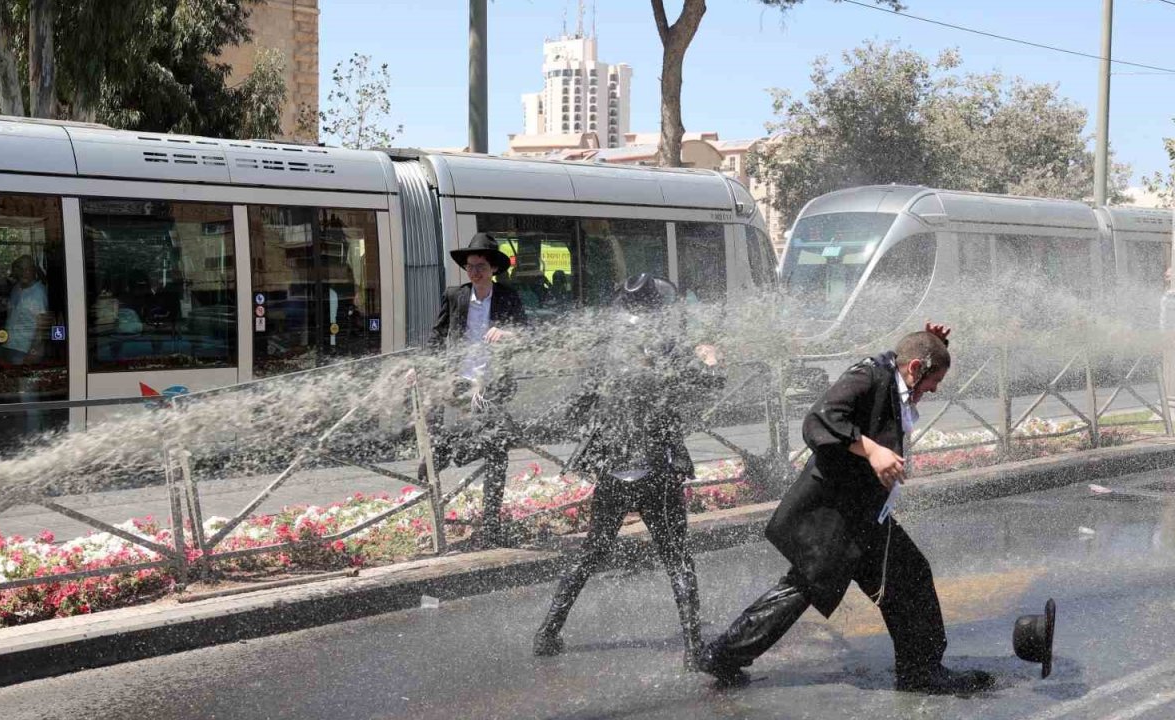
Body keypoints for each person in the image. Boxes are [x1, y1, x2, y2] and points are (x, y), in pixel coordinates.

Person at [698, 324, 996, 695]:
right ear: (915, 368)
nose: (934, 390)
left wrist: (935, 342)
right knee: (807, 586)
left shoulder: (899, 372)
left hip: (864, 514)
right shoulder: (868, 375)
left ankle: (921, 670)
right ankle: (724, 654)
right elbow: (819, 420)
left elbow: (914, 355)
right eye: (932, 380)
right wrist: (872, 449)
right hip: (838, 516)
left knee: (903, 578)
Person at [533, 273, 718, 670]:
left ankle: (548, 631)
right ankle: (692, 648)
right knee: (678, 559)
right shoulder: (669, 345)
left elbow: (576, 407)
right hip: (658, 470)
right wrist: (711, 360)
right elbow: (710, 382)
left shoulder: (605, 350)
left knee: (590, 553)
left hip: (615, 471)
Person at [426, 232, 528, 547]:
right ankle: (445, 453)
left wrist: (507, 333)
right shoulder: (455, 296)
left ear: (493, 268)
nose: (474, 272)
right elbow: (437, 335)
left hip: (492, 386)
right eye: (470, 266)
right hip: (460, 383)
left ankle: (491, 522)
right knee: (492, 443)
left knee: (496, 450)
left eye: (480, 266)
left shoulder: (508, 297)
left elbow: (527, 334)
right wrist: (424, 368)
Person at [0, 255, 50, 366]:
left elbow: (42, 328)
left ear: (33, 270)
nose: (24, 273)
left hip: (25, 351)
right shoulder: (16, 289)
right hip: (9, 346)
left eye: (27, 269)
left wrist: (33, 353)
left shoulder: (38, 293)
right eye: (21, 269)